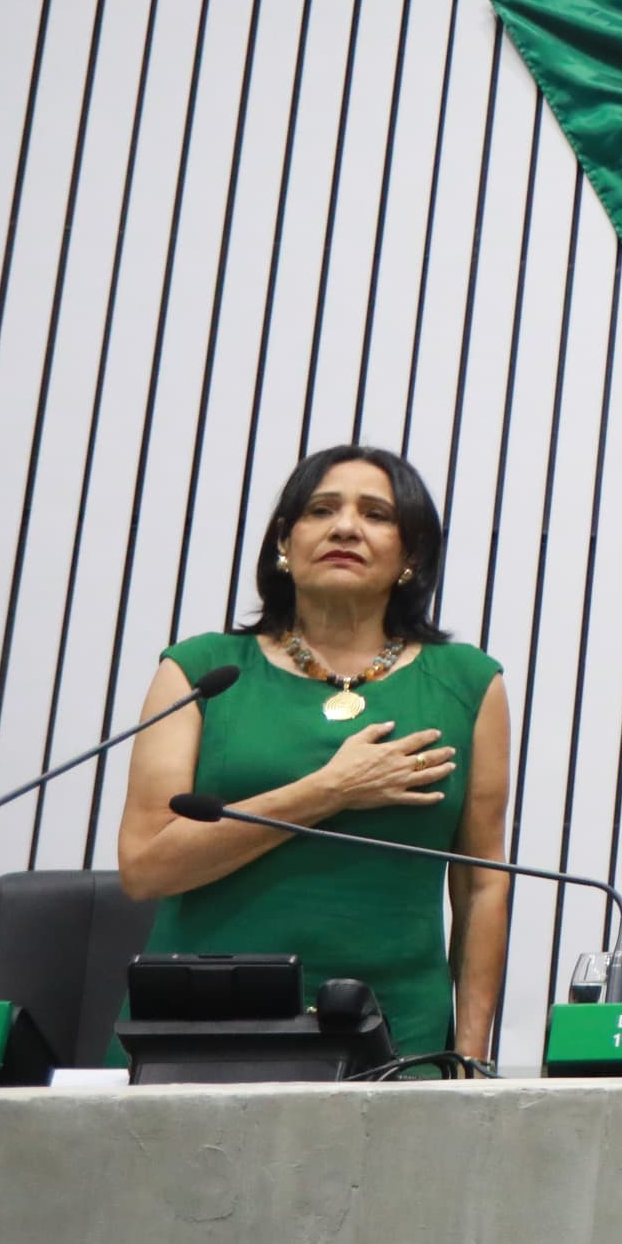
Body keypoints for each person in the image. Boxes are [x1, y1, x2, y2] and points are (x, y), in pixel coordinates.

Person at [117, 446, 513, 1058]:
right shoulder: (202, 671)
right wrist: (331, 791)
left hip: (395, 1032)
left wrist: (470, 1055)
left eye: (377, 514)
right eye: (321, 509)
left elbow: (482, 884)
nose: (346, 527)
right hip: (199, 1028)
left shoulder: (467, 683)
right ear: (284, 542)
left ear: (410, 556)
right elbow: (145, 868)